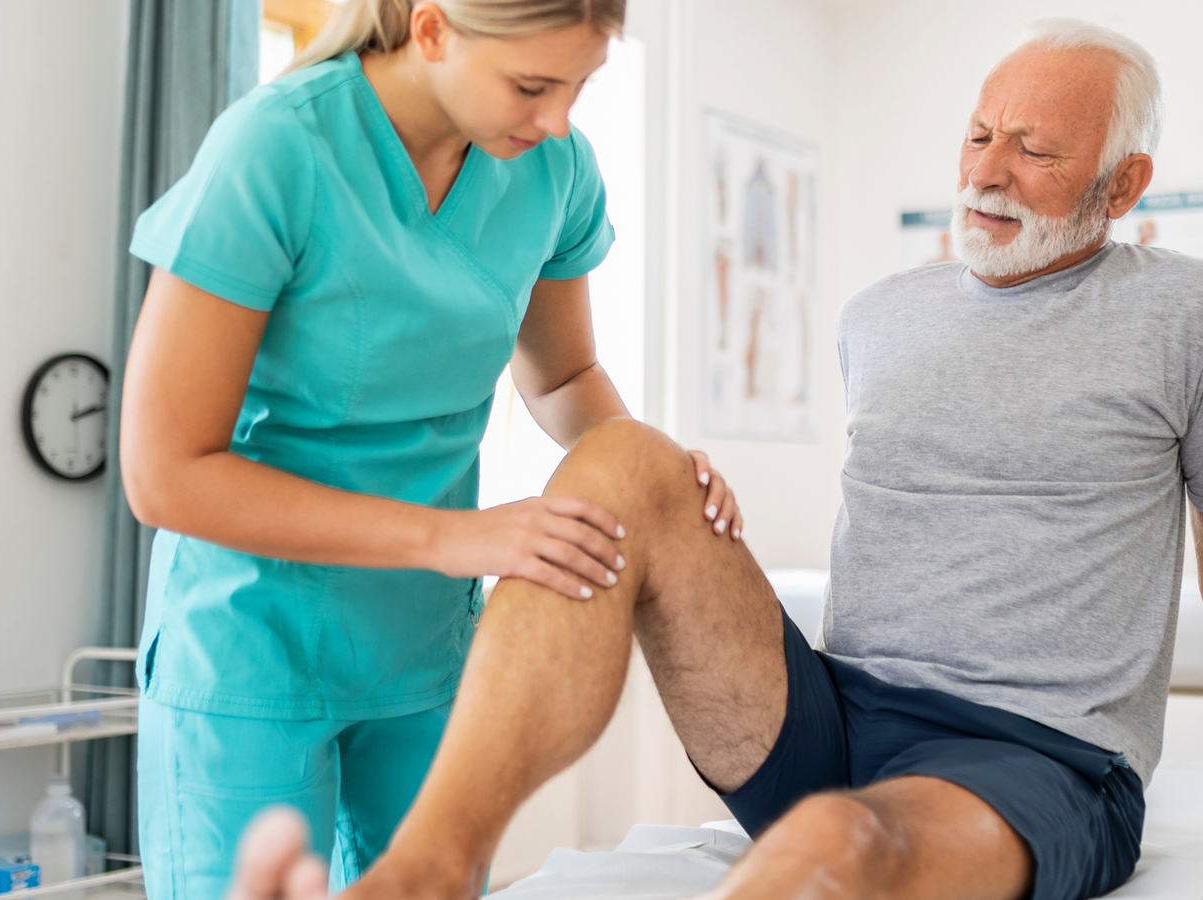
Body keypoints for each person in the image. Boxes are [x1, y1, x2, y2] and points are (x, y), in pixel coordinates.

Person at [221, 18, 1203, 900]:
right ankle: (427, 871)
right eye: (977, 134)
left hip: (1031, 760)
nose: (985, 171)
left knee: (824, 856)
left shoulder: (1198, 316)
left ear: (1123, 184)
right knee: (628, 463)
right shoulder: (881, 314)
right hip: (822, 713)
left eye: (1035, 149)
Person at [117, 2, 746, 898]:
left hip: (423, 652)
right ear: (433, 30)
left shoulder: (553, 168)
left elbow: (564, 379)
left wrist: (654, 469)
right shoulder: (277, 149)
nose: (558, 120)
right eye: (532, 85)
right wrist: (457, 537)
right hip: (251, 641)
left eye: (580, 86)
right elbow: (164, 472)